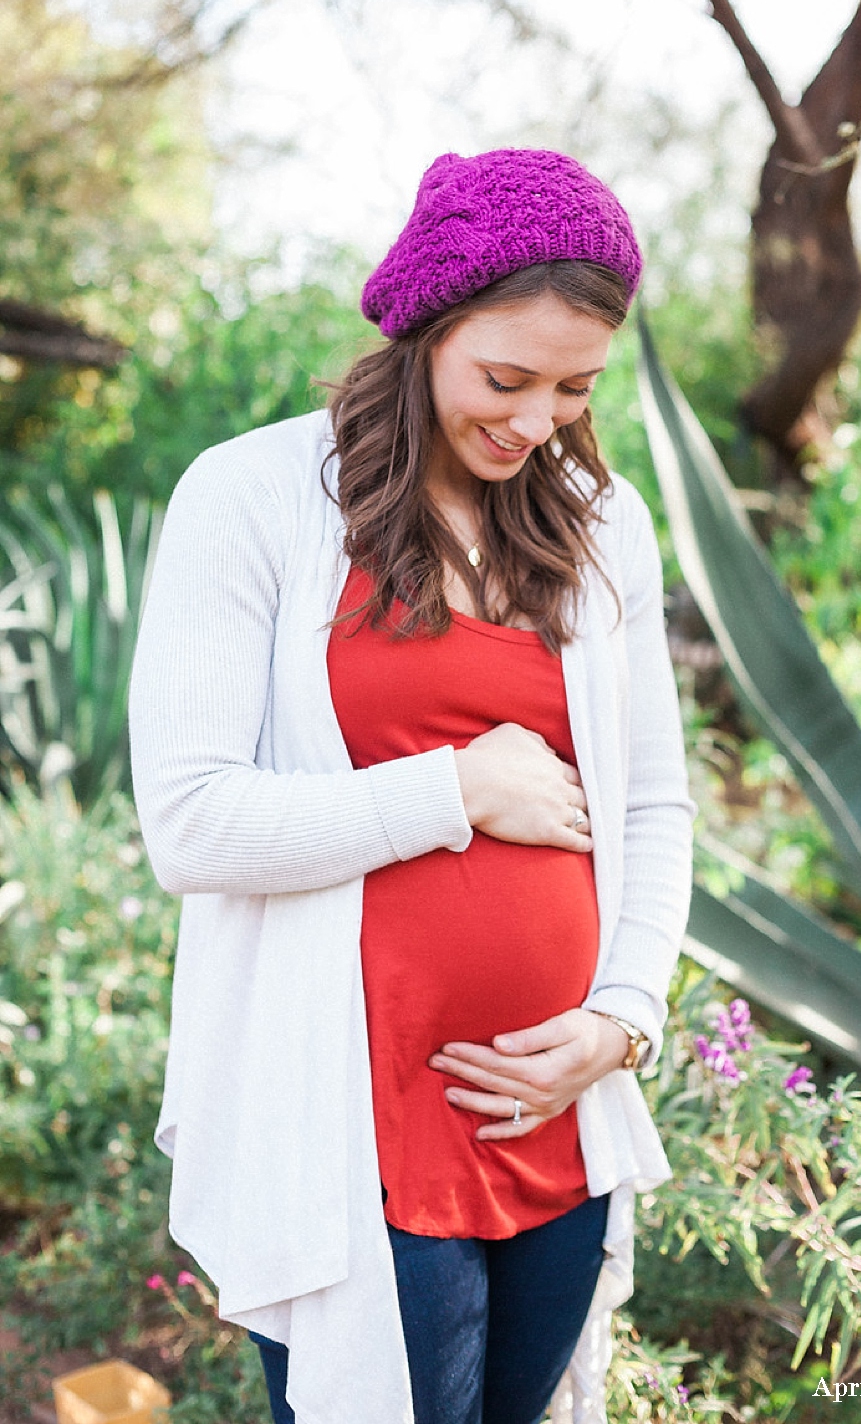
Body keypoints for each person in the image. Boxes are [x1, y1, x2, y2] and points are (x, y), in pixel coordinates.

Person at [128, 147, 694, 1424]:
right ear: (424, 324)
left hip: (558, 1113)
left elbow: (653, 805)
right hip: (352, 1124)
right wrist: (456, 787)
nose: (537, 419)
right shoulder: (252, 497)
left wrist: (622, 1018)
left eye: (572, 387)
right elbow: (192, 820)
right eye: (505, 377)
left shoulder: (602, 523)